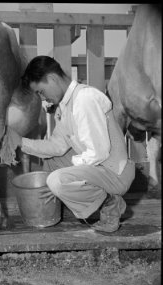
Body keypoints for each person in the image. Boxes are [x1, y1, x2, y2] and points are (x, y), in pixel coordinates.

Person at [11, 56, 135, 233]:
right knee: (52, 161)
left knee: (56, 179)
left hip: (115, 173)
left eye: (40, 91)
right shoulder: (66, 107)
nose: (43, 98)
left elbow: (97, 152)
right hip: (100, 169)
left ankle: (110, 203)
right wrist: (21, 143)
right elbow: (56, 146)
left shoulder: (84, 99)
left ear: (52, 79)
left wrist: (63, 179)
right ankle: (79, 204)